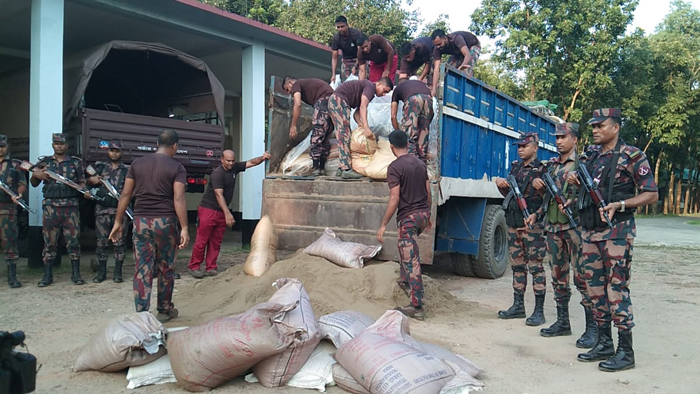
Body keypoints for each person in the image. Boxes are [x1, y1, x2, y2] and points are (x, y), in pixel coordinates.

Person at [567, 108, 658, 372]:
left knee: (616, 290)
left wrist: (621, 203)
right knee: (594, 289)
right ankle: (604, 342)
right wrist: (574, 181)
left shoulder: (632, 156)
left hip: (616, 233)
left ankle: (626, 352)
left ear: (615, 127)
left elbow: (651, 194)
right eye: (592, 126)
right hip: (589, 232)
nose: (595, 130)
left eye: (600, 125)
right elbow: (584, 190)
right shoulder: (591, 156)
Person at [526, 123, 597, 348]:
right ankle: (563, 321)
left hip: (575, 228)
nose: (559, 141)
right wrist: (538, 198)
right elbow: (548, 199)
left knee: (583, 277)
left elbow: (593, 193)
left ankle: (592, 329)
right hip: (553, 228)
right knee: (558, 276)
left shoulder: (584, 163)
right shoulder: (552, 166)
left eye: (563, 137)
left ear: (574, 139)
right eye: (557, 137)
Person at [109, 130, 189, 323]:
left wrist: (118, 221)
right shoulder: (177, 167)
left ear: (156, 143)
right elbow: (178, 198)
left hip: (140, 221)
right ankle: (164, 309)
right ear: (175, 146)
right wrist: (185, 227)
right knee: (166, 266)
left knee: (142, 267)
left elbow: (126, 195)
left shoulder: (137, 164)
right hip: (165, 222)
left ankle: (142, 313)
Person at [377, 130, 432, 321]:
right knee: (405, 250)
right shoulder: (420, 163)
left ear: (392, 147)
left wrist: (383, 224)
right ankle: (406, 282)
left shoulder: (394, 167)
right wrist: (429, 214)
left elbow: (395, 198)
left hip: (408, 217)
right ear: (408, 144)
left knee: (411, 259)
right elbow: (428, 190)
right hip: (422, 215)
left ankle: (417, 306)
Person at [188, 149, 270, 278]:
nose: (231, 163)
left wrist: (263, 157)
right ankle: (194, 266)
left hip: (221, 211)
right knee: (202, 240)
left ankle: (211, 267)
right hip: (209, 210)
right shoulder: (217, 174)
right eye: (228, 161)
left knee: (216, 241)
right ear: (222, 160)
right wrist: (228, 213)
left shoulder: (234, 168)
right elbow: (218, 195)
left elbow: (251, 163)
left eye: (233, 161)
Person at [495, 132, 547, 326]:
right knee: (517, 266)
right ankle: (518, 306)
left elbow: (548, 199)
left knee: (535, 267)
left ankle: (539, 311)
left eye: (525, 146)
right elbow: (509, 195)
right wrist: (502, 186)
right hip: (514, 222)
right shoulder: (515, 168)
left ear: (535, 147)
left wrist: (538, 215)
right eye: (519, 146)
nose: (521, 149)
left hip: (532, 225)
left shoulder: (542, 169)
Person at [30, 133, 91, 287]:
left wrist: (86, 192)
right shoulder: (44, 163)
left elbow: (82, 182)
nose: (59, 146)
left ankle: (76, 274)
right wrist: (37, 175)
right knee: (49, 242)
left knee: (73, 242)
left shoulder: (75, 163)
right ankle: (47, 275)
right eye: (56, 143)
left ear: (66, 145)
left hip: (70, 208)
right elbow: (34, 183)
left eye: (62, 144)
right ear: (52, 145)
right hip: (51, 208)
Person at [328, 78, 394, 179]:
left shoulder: (368, 90)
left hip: (338, 101)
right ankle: (346, 169)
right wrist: (366, 127)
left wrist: (361, 124)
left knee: (343, 134)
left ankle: (341, 168)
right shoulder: (370, 87)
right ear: (379, 84)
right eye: (384, 91)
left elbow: (357, 113)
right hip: (339, 101)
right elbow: (363, 107)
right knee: (344, 135)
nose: (384, 94)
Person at [87, 141, 129, 284]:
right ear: (108, 151)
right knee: (101, 243)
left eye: (117, 151)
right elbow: (86, 182)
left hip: (120, 211)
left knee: (120, 243)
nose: (114, 153)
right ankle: (102, 272)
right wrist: (92, 181)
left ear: (121, 152)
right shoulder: (99, 167)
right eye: (112, 150)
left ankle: (118, 272)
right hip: (102, 211)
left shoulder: (127, 170)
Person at [283, 76, 335, 176]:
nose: (289, 93)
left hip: (323, 101)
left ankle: (316, 168)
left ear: (290, 83)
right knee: (325, 137)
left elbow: (297, 104)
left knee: (317, 136)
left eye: (287, 89)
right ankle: (321, 168)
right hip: (334, 102)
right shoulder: (306, 84)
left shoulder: (296, 85)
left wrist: (293, 126)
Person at [0, 135, 26, 289]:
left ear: (6, 147)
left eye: (2, 146)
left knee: (9, 242)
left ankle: (12, 276)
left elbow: (22, 184)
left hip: (7, 208)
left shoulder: (14, 165)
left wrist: (19, 194)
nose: (0, 149)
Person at [390, 80, 434, 162]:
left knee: (410, 136)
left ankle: (411, 162)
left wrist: (398, 132)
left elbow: (393, 116)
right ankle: (422, 164)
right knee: (423, 135)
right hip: (428, 98)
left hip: (413, 100)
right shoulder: (418, 84)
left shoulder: (396, 90)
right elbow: (430, 117)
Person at [430, 29, 481, 95]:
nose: (438, 47)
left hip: (472, 47)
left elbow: (467, 55)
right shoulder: (437, 49)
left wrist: (462, 66)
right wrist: (434, 88)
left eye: (439, 44)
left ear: (445, 38)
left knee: (466, 68)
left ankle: (466, 93)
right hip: (457, 52)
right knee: (448, 70)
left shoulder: (456, 38)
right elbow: (436, 69)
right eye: (436, 45)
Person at [330, 16, 363, 83]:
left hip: (358, 58)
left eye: (342, 26)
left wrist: (356, 66)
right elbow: (334, 58)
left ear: (347, 25)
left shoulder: (355, 34)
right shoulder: (336, 38)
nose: (340, 29)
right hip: (346, 60)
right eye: (338, 27)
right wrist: (333, 74)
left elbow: (361, 52)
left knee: (360, 80)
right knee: (346, 82)